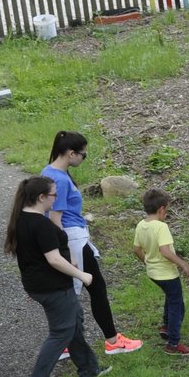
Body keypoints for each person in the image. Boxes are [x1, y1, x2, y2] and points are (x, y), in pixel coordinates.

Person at [5, 175, 108, 377]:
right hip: (53, 287)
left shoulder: (21, 218)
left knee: (74, 321)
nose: (56, 198)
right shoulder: (40, 224)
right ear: (41, 197)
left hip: (40, 285)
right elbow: (53, 259)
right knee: (61, 332)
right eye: (54, 195)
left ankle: (89, 368)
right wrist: (82, 275)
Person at [42, 131, 142, 355]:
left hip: (76, 236)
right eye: (83, 155)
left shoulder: (51, 172)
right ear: (70, 153)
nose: (83, 159)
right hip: (71, 239)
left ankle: (69, 343)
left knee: (80, 289)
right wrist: (65, 253)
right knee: (92, 288)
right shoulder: (59, 180)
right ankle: (111, 341)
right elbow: (54, 219)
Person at [133, 189, 189, 354]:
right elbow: (165, 251)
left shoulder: (141, 225)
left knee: (170, 297)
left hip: (153, 273)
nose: (166, 213)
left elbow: (136, 249)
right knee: (177, 307)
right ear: (161, 209)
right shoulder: (161, 227)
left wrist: (147, 261)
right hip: (167, 274)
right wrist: (184, 264)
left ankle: (166, 326)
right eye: (166, 209)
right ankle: (173, 343)